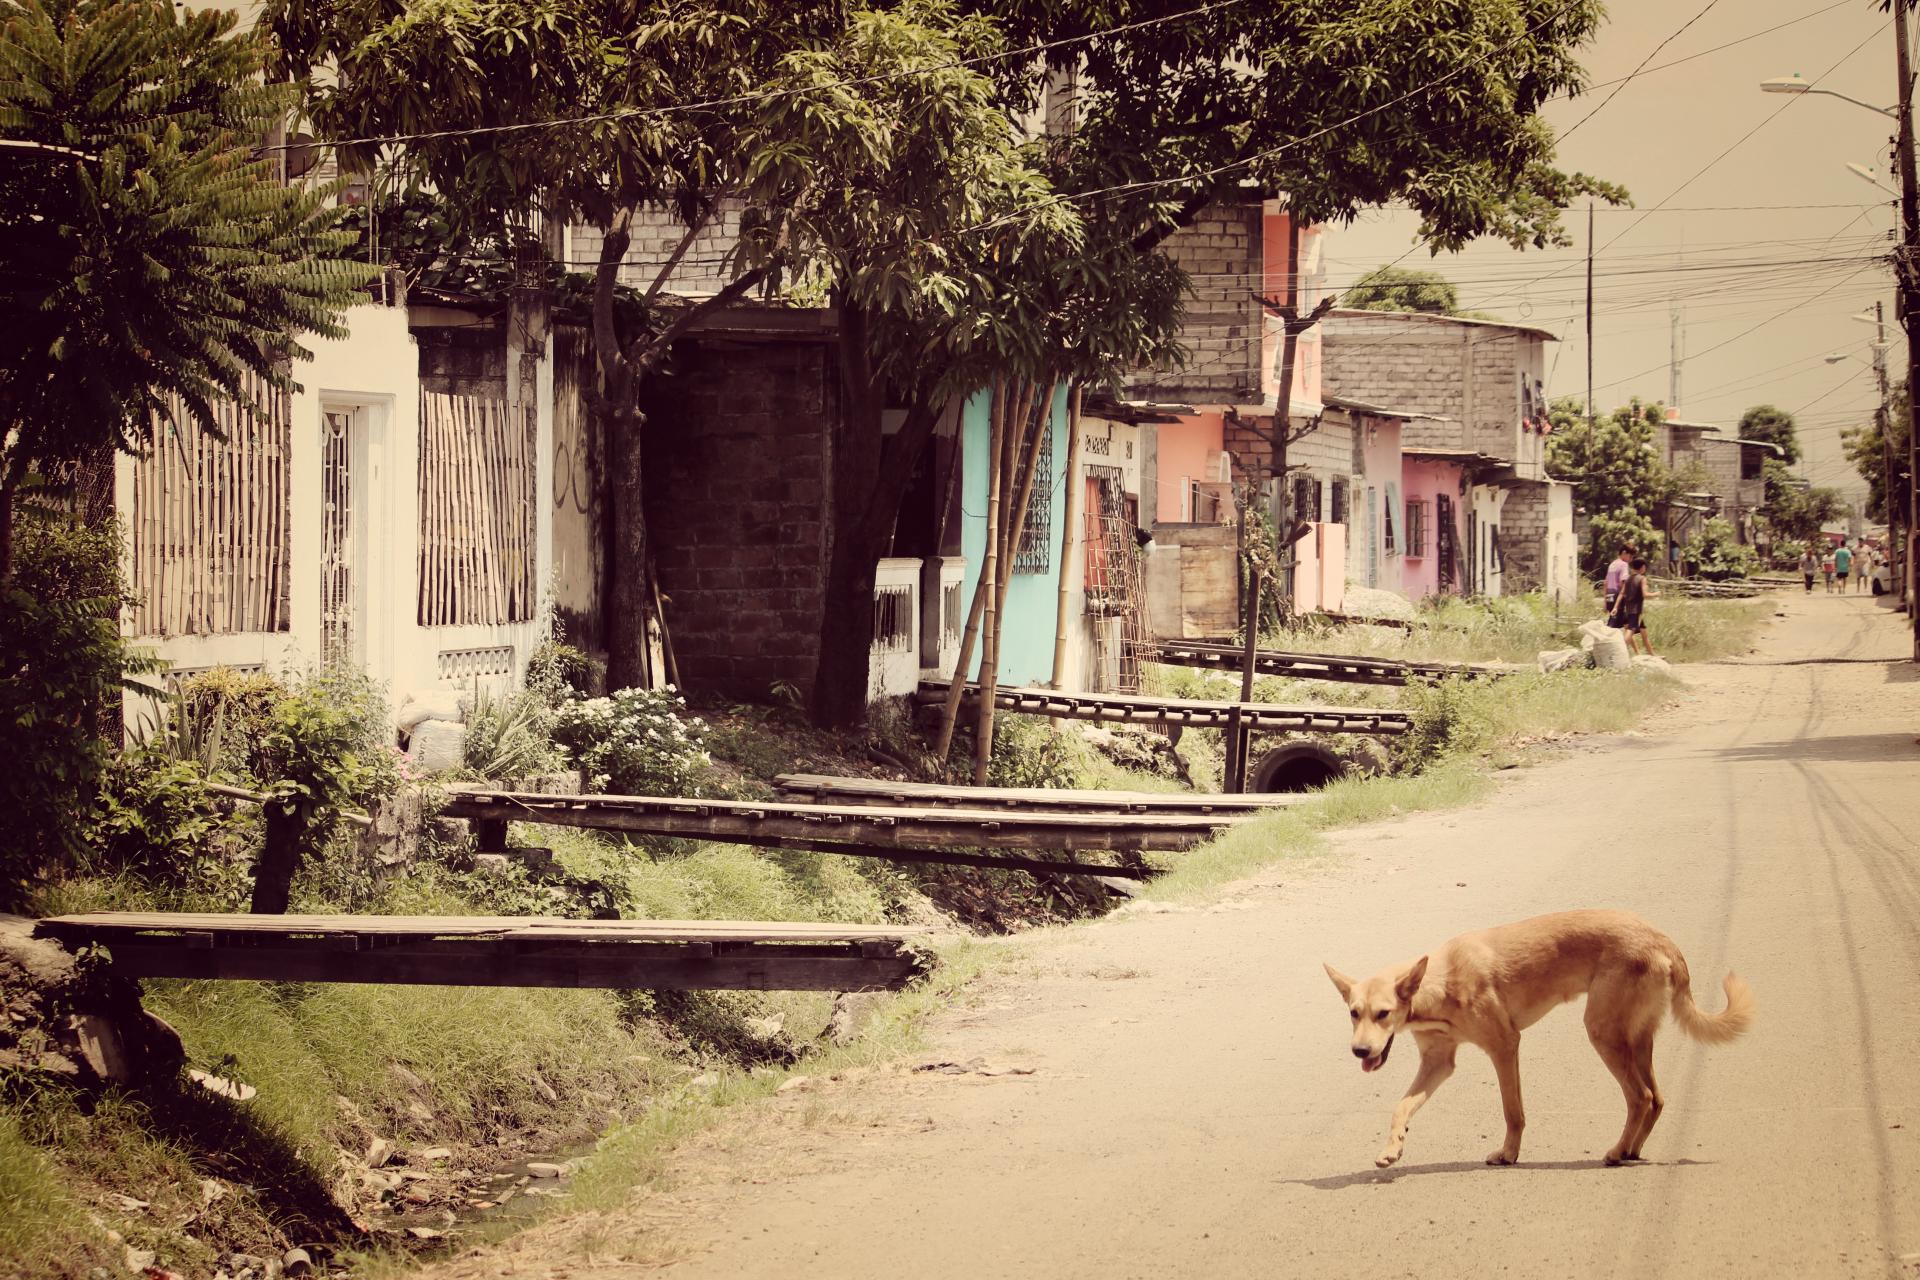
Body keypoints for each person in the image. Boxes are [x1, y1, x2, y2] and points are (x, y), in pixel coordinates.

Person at [1610, 557, 1655, 656]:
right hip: (1636, 611)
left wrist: (1615, 607)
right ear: (1642, 567)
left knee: (1644, 633)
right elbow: (1645, 594)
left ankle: (1653, 655)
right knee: (1630, 631)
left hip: (1628, 611)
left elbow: (1621, 594)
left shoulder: (1628, 579)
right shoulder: (1642, 578)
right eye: (1644, 567)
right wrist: (1656, 594)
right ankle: (1616, 651)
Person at [1604, 544, 1634, 614]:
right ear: (1624, 553)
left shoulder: (1612, 564)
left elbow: (1605, 583)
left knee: (1613, 619)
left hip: (1609, 596)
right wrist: (1616, 606)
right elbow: (1623, 585)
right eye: (1630, 556)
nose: (1631, 560)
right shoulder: (1624, 564)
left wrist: (1605, 603)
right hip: (1617, 598)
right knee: (1623, 621)